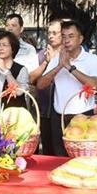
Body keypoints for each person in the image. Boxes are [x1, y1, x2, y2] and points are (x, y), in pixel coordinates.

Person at [37, 21, 97, 156]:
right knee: (60, 157)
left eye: (71, 36)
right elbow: (40, 84)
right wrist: (60, 66)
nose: (66, 40)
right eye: (64, 36)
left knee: (83, 157)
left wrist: (70, 68)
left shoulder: (92, 59)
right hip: (59, 116)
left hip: (83, 115)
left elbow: (93, 84)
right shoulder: (56, 59)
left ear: (81, 39)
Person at [30, 19, 64, 155]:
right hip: (43, 109)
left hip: (63, 110)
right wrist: (47, 63)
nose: (51, 36)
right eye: (49, 33)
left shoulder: (68, 54)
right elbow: (31, 78)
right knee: (48, 150)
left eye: (55, 33)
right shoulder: (40, 55)